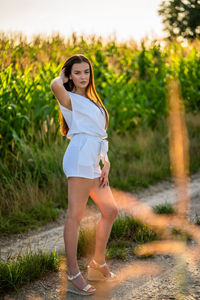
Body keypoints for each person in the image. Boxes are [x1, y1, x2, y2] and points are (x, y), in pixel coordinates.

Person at [50, 54, 118, 296]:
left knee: (110, 211)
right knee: (75, 216)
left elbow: (99, 135)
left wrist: (105, 163)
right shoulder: (70, 100)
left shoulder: (92, 101)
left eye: (86, 72)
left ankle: (97, 265)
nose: (82, 77)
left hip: (94, 161)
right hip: (79, 157)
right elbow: (54, 85)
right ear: (69, 74)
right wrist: (63, 74)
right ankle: (72, 273)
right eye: (77, 72)